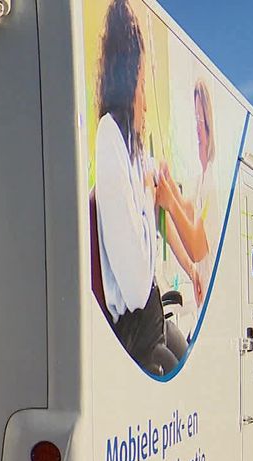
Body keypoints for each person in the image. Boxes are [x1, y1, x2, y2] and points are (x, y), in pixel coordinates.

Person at [93, 0, 182, 375]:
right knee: (175, 362)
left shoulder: (130, 148)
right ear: (129, 82)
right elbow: (135, 285)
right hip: (133, 330)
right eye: (144, 84)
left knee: (185, 352)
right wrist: (148, 198)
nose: (146, 101)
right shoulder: (110, 137)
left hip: (148, 317)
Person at [156, 78, 219, 310]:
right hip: (203, 297)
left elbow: (197, 247)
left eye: (200, 120)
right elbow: (185, 213)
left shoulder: (213, 181)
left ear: (209, 126)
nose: (197, 128)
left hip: (210, 304)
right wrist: (168, 184)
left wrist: (170, 201)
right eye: (195, 119)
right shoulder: (201, 179)